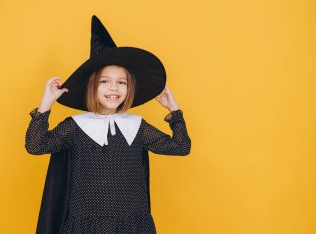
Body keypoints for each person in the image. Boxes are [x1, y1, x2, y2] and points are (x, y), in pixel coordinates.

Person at [25, 15, 192, 234]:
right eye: (104, 81)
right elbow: (35, 146)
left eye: (121, 82)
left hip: (133, 224)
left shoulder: (136, 126)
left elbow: (181, 147)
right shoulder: (76, 126)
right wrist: (46, 103)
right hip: (86, 224)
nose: (114, 88)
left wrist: (174, 111)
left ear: (128, 89)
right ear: (91, 86)